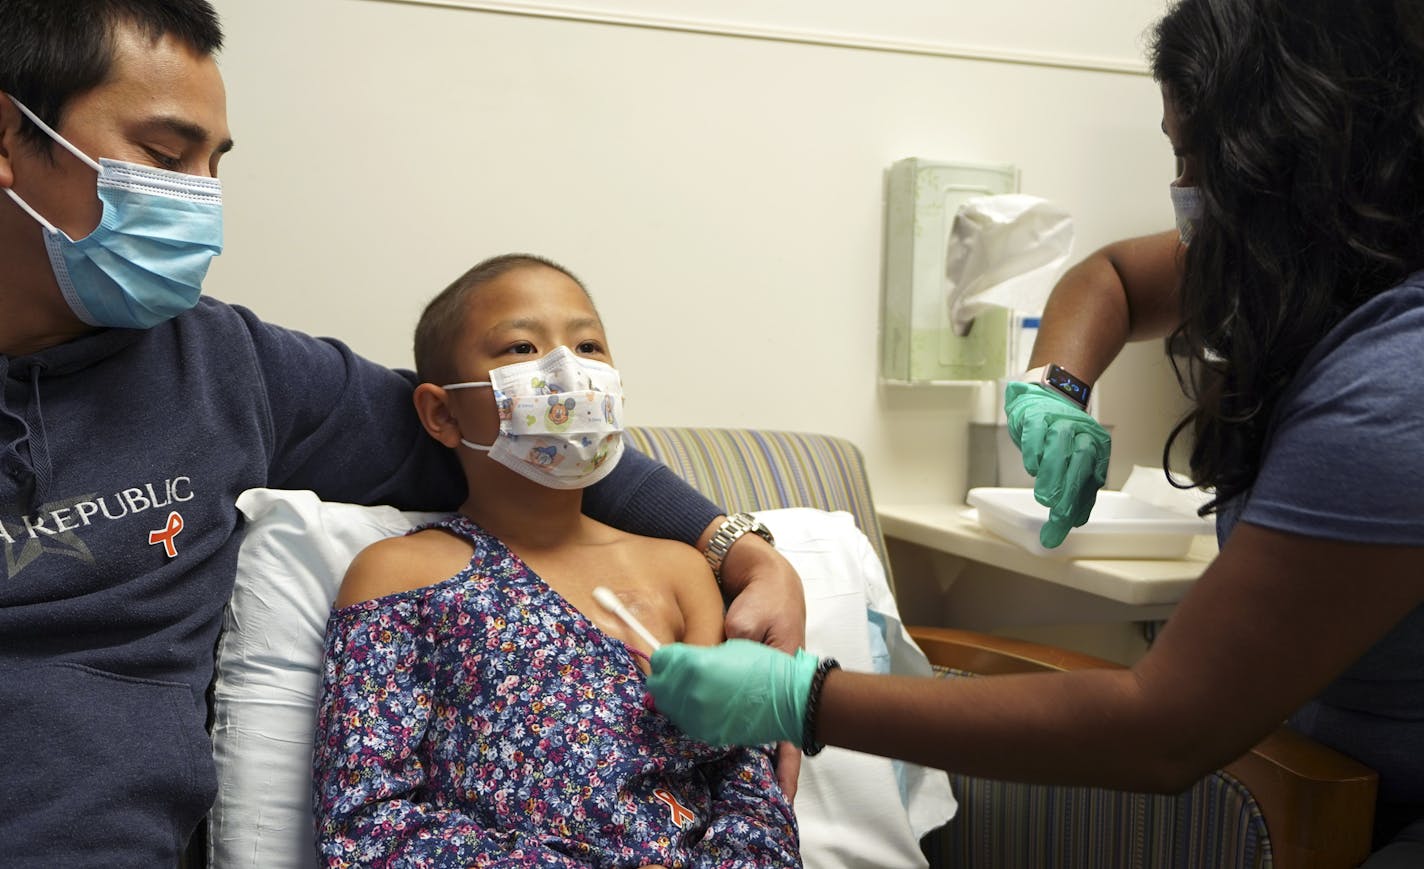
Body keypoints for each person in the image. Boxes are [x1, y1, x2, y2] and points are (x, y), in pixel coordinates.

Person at [0, 2, 803, 863]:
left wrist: (739, 546)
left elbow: (521, 439)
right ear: (11, 136)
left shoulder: (232, 369)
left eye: (211, 164)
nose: (200, 199)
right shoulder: (401, 587)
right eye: (164, 157)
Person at [646, 0, 1424, 864]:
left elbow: (1161, 729)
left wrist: (807, 698)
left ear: (1288, 155)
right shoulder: (1335, 253)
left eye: (1194, 158)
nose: (1184, 192)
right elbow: (1115, 277)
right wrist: (1056, 387)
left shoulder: (1393, 395)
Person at [312, 254, 801, 868]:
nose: (568, 370)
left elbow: (744, 783)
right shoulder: (400, 575)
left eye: (589, 344)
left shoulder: (678, 571)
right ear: (442, 413)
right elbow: (365, 821)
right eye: (521, 347)